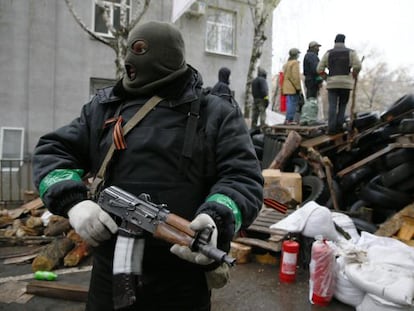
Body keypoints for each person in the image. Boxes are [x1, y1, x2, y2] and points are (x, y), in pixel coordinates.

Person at [32, 21, 263, 311]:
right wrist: (74, 203)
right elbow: (52, 152)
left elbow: (243, 177)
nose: (131, 64)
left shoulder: (215, 113)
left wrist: (217, 217)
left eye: (141, 53)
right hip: (109, 272)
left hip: (182, 277)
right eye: (131, 53)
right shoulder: (103, 108)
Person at [317, 33, 362, 135]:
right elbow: (358, 65)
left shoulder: (328, 53)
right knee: (342, 105)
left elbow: (319, 69)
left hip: (332, 83)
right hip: (346, 84)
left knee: (332, 106)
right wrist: (354, 74)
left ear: (335, 41)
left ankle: (331, 128)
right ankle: (339, 127)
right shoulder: (351, 52)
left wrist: (326, 78)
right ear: (344, 41)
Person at [282, 48, 303, 125]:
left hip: (286, 87)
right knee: (293, 103)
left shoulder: (287, 64)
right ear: (296, 55)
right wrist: (298, 88)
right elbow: (295, 77)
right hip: (292, 87)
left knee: (289, 103)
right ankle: (290, 119)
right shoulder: (295, 63)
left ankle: (287, 119)